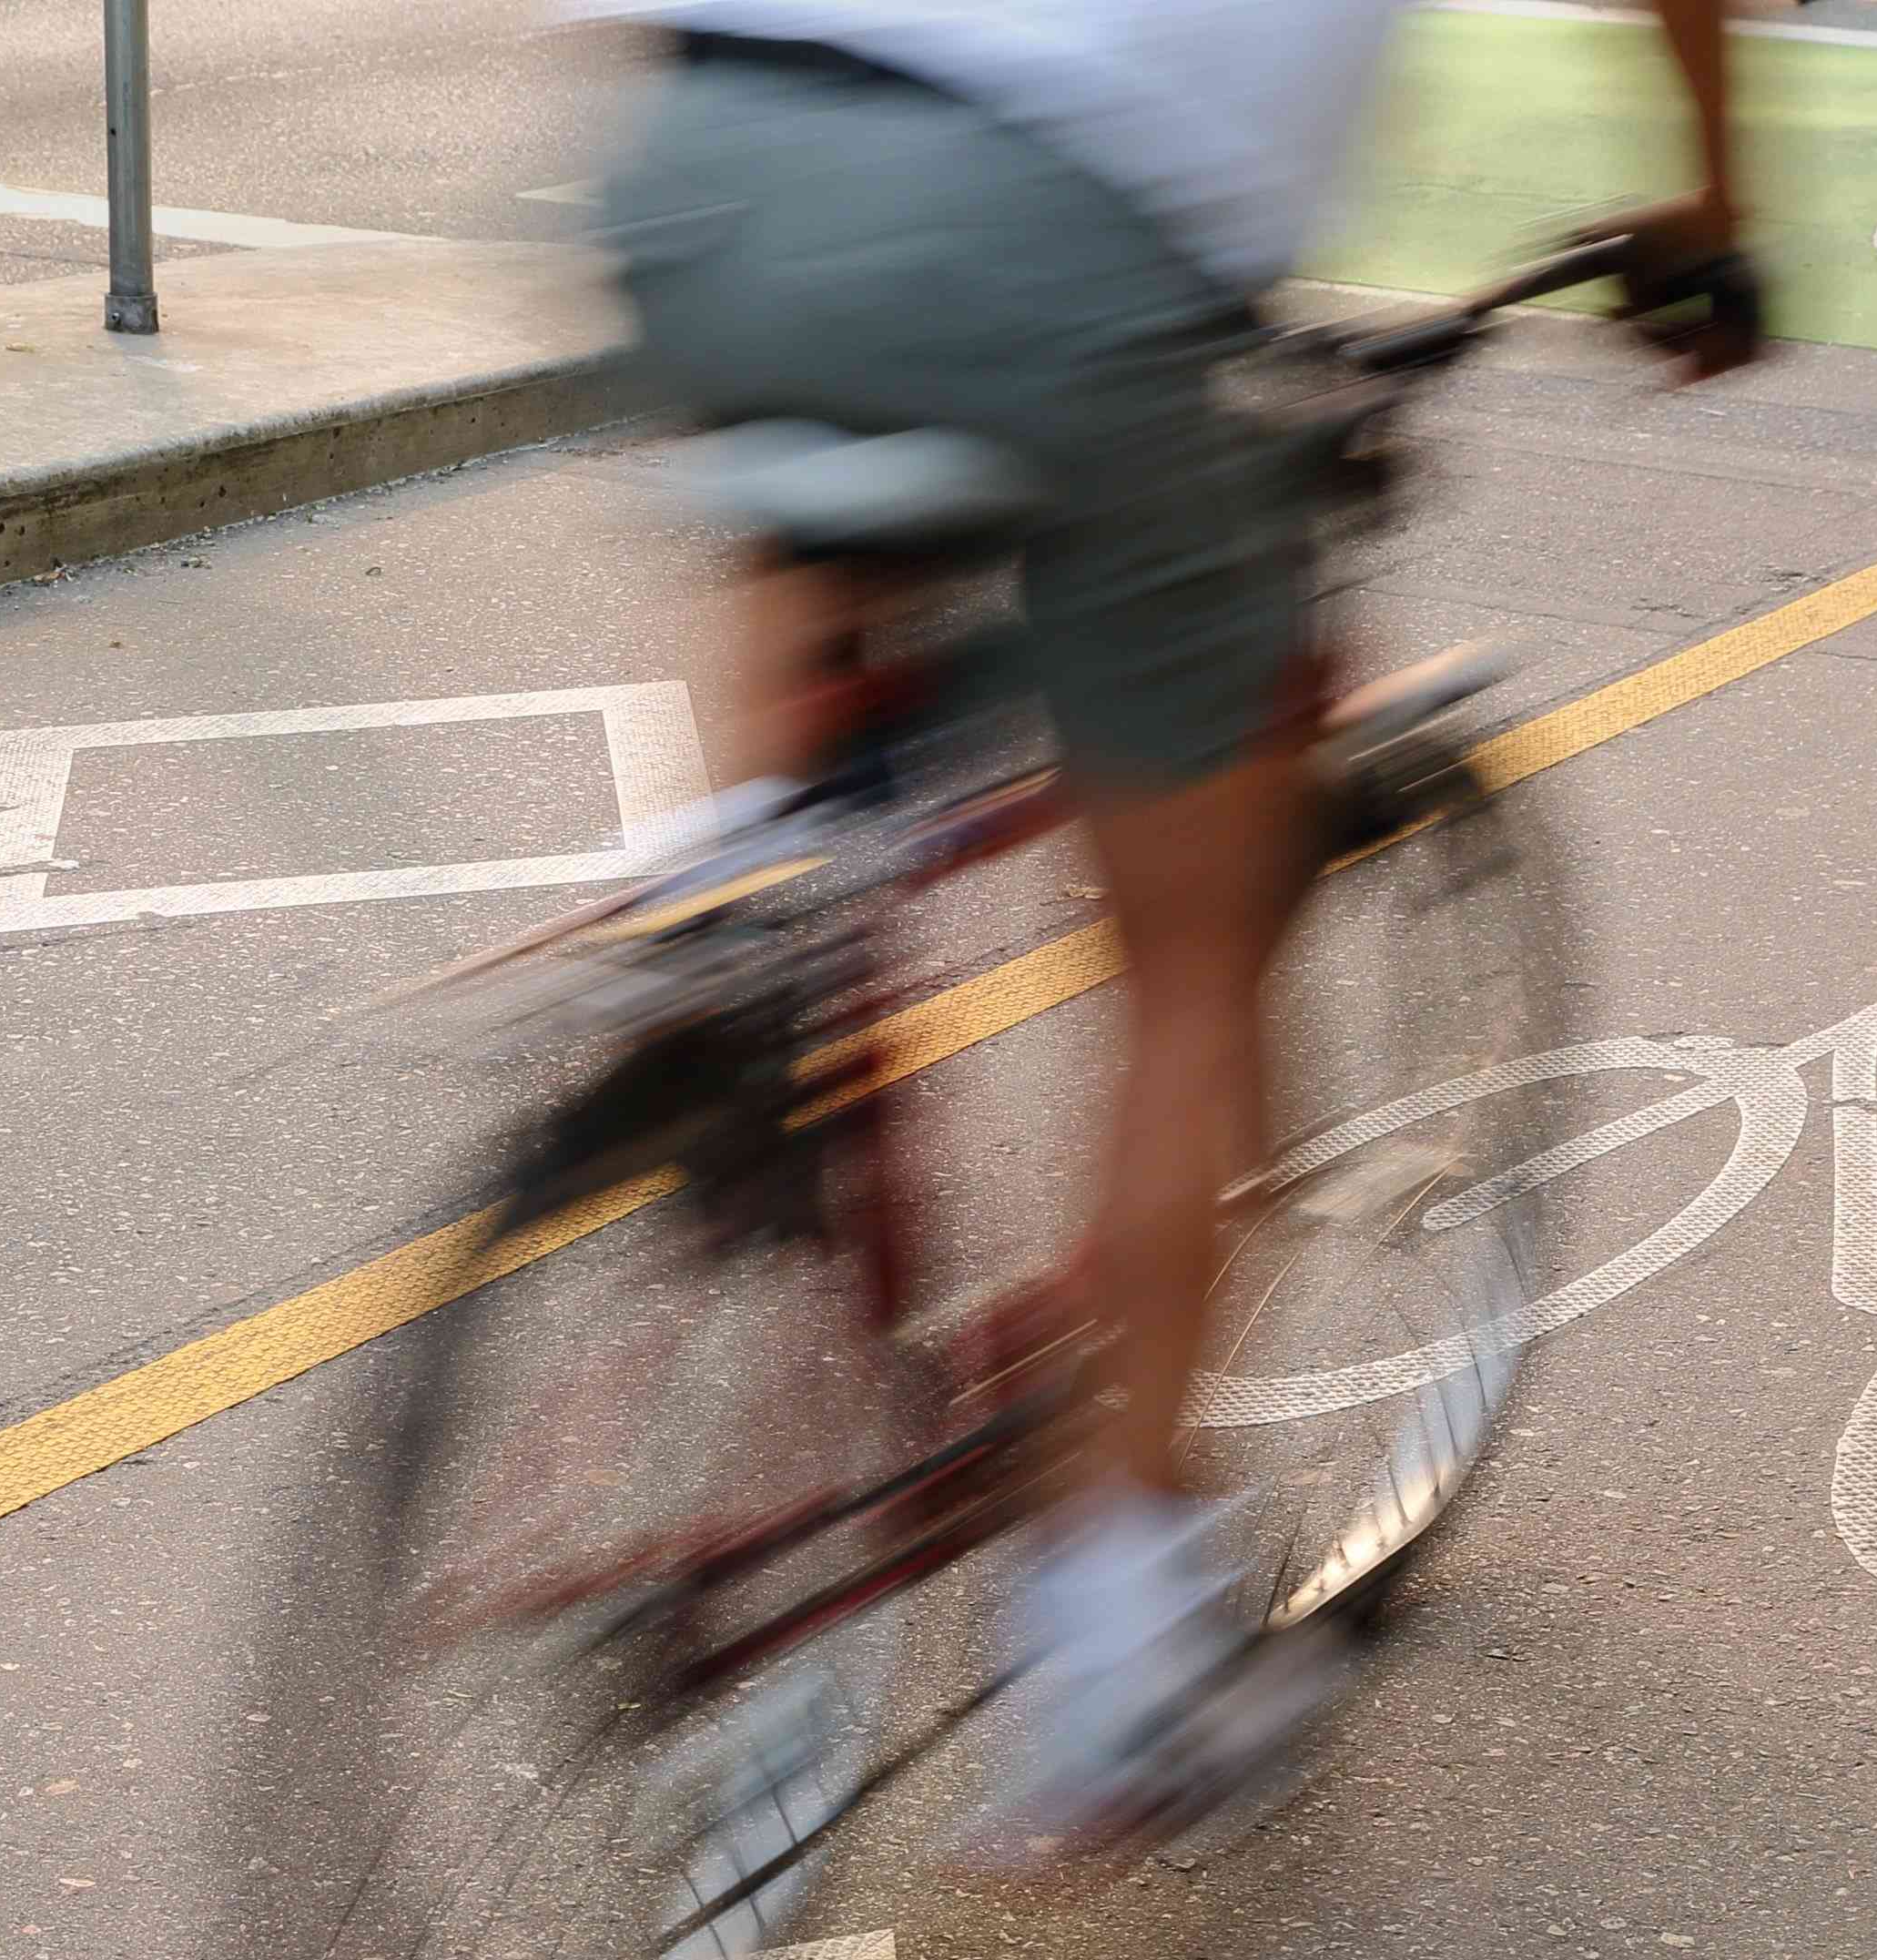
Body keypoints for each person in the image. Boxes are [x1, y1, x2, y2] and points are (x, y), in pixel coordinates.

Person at [586, 0, 1760, 1854]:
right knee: (1193, 960)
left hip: (711, 148)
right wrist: (1710, 220)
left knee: (833, 591)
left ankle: (754, 937)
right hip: (1070, 227)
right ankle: (1122, 1649)